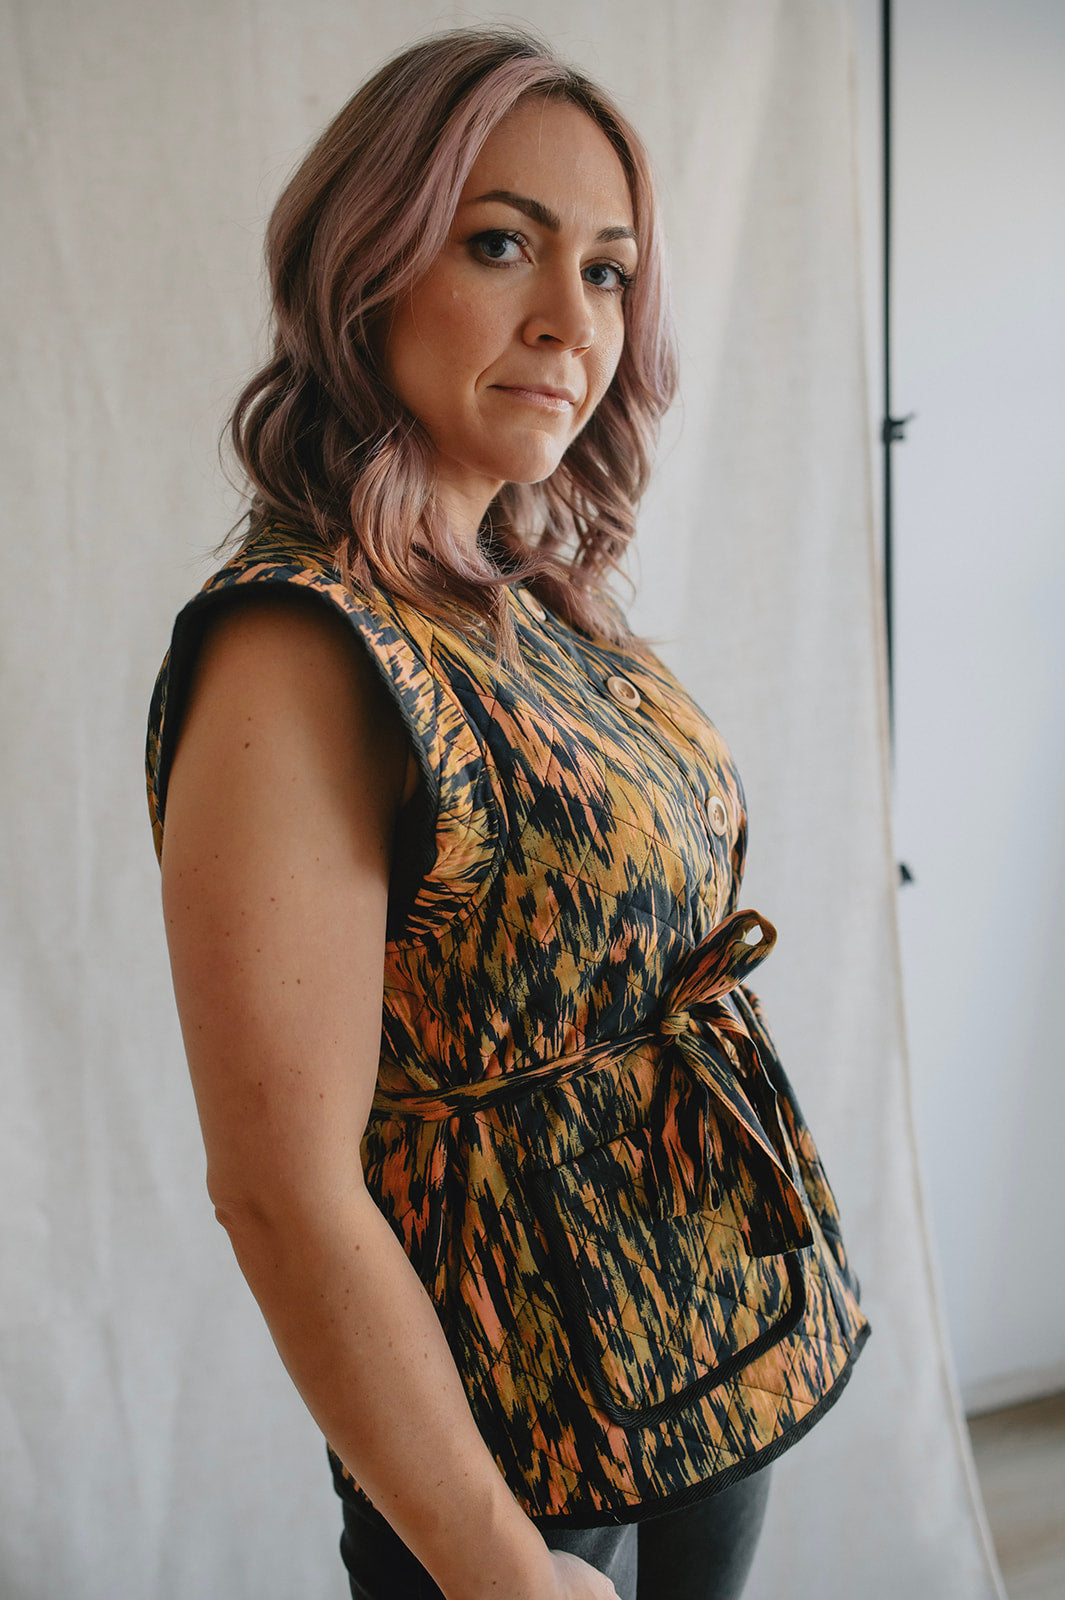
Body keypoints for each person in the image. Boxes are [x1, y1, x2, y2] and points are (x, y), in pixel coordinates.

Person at [147, 27, 869, 1600]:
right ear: (363, 266)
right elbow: (279, 1187)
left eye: (608, 271)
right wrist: (498, 1568)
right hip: (509, 1436)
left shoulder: (529, 590)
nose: (570, 321)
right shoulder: (301, 647)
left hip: (705, 1337)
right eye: (499, 245)